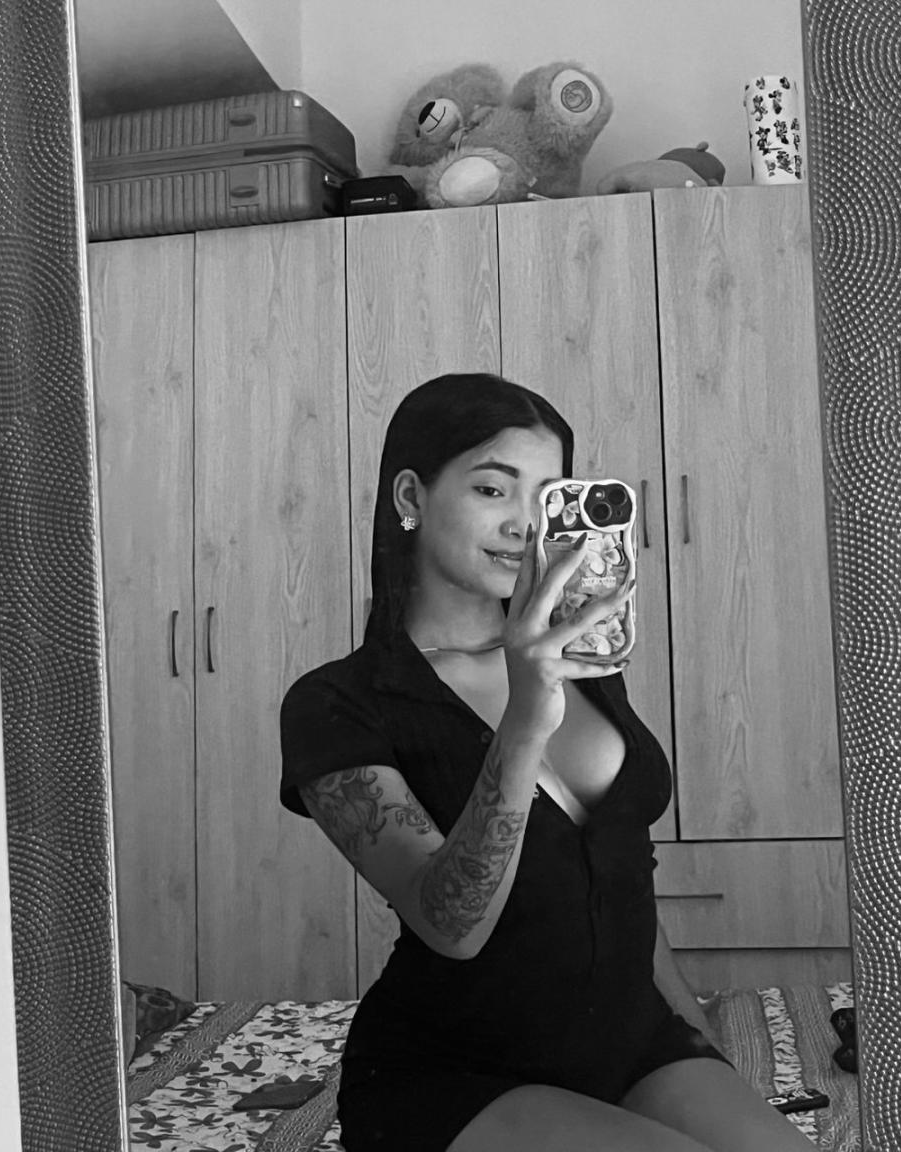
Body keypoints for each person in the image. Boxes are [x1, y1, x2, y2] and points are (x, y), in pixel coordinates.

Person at [280, 372, 813, 1152]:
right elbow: (450, 925)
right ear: (411, 495)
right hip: (456, 1068)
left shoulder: (585, 660)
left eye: (547, 495)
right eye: (492, 489)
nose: (524, 523)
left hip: (631, 1041)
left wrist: (700, 1047)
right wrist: (525, 715)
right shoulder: (338, 703)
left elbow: (621, 872)